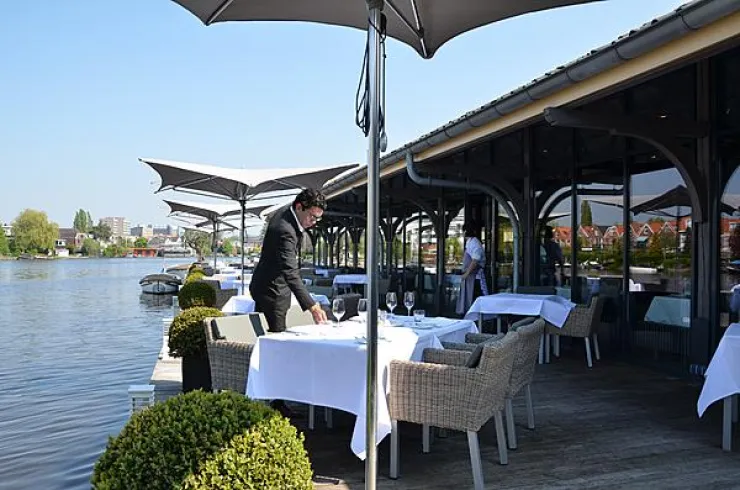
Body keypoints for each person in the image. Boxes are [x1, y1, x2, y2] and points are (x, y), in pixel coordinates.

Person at [250, 188, 328, 332]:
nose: (314, 222)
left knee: (266, 338)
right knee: (277, 340)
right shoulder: (284, 230)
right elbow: (290, 273)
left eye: (318, 218)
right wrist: (313, 306)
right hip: (272, 292)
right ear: (299, 207)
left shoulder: (288, 213)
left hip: (268, 287)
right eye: (312, 217)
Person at [456, 220, 489, 315]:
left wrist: (466, 274)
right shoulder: (469, 242)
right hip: (470, 277)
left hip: (475, 278)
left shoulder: (475, 243)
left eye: (463, 231)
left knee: (474, 300)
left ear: (466, 231)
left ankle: (476, 322)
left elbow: (475, 261)